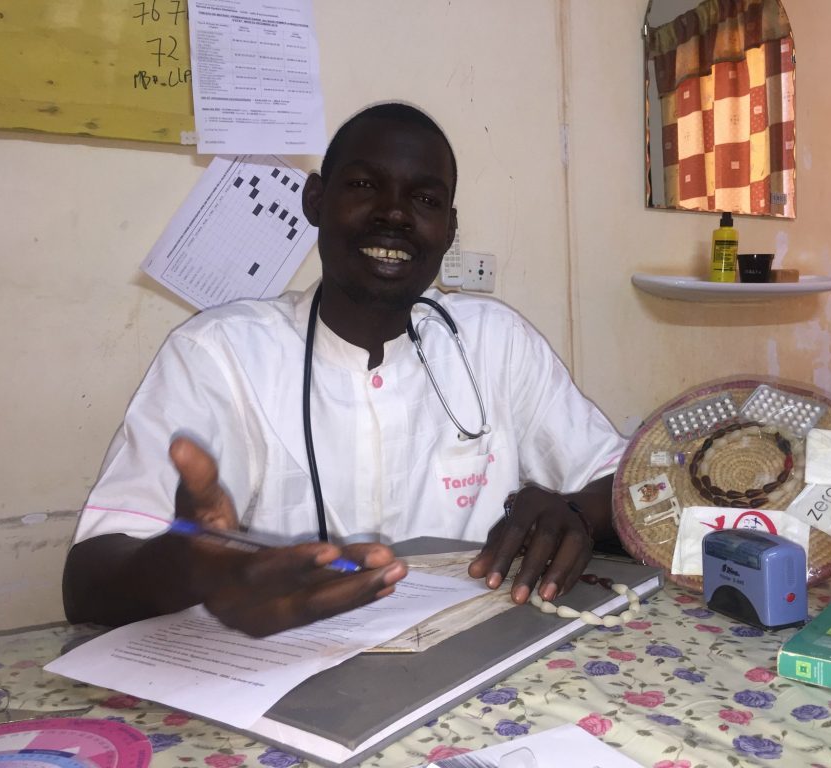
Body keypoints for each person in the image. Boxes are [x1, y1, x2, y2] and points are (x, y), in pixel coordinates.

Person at [62, 103, 627, 637]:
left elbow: (634, 481)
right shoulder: (218, 354)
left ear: (449, 229)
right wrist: (194, 567)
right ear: (315, 200)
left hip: (468, 669)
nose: (395, 214)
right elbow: (87, 581)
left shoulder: (495, 342)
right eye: (363, 185)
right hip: (267, 679)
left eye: (425, 200)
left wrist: (573, 511)